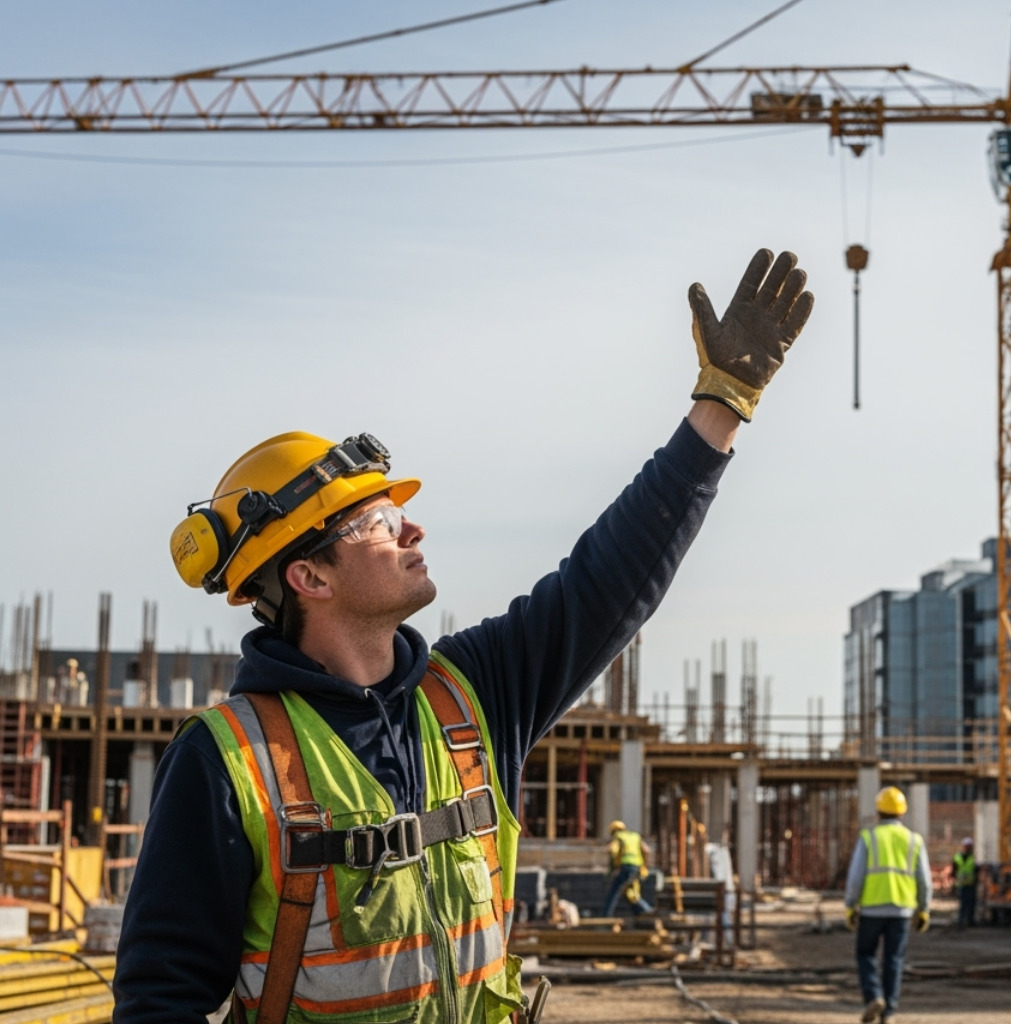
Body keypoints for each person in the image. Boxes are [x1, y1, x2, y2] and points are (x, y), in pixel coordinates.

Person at [114, 248, 814, 1024]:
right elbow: (160, 1001)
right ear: (310, 577)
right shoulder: (225, 763)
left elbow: (610, 579)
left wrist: (722, 402)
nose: (411, 524)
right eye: (377, 520)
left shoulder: (470, 695)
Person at [844, 786, 931, 1024]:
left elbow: (855, 877)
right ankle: (889, 1013)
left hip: (872, 908)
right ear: (902, 813)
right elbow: (924, 879)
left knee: (865, 955)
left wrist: (851, 905)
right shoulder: (914, 840)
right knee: (894, 960)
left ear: (878, 812)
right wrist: (924, 909)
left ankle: (874, 996)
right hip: (902, 910)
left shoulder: (869, 837)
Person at [601, 819, 655, 916]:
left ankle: (606, 916)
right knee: (631, 893)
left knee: (614, 892)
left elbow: (613, 851)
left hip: (625, 867)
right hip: (636, 868)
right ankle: (644, 912)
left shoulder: (618, 837)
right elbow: (647, 851)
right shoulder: (635, 836)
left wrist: (612, 867)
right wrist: (644, 866)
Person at [952, 837, 978, 931]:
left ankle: (968, 920)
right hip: (964, 884)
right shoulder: (968, 857)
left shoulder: (969, 857)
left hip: (969, 884)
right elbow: (954, 870)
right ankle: (963, 921)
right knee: (965, 904)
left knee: (970, 903)